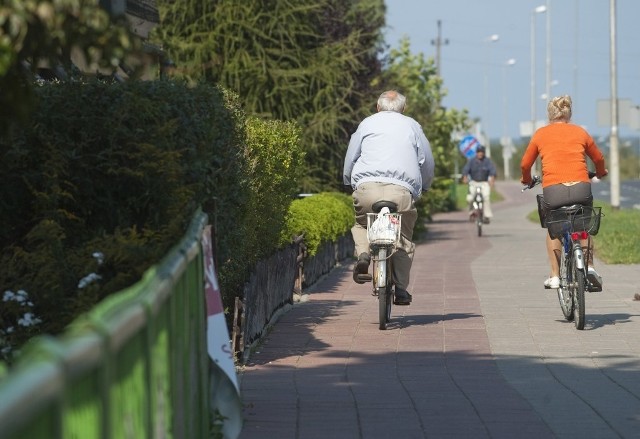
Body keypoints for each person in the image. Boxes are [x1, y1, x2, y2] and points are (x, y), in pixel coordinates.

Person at [343, 90, 435, 305]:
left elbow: (351, 156)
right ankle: (401, 289)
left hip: (367, 189)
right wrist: (426, 185)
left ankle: (364, 254)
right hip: (401, 191)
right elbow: (427, 161)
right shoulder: (412, 125)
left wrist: (348, 180)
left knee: (362, 225)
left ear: (377, 107)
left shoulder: (366, 123)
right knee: (402, 237)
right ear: (403, 109)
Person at [520, 95, 607, 290]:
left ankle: (554, 276)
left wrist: (526, 179)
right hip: (581, 189)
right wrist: (600, 172)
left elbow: (525, 164)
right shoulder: (580, 132)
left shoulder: (540, 134)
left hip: (554, 191)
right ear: (569, 114)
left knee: (554, 229)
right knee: (583, 225)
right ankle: (590, 267)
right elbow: (598, 158)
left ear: (549, 114)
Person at [461, 145, 497, 223]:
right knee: (470, 198)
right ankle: (471, 213)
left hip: (484, 183)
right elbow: (465, 170)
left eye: (481, 152)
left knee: (486, 198)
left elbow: (492, 171)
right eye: (478, 152)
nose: (480, 154)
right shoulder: (471, 161)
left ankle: (487, 216)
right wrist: (465, 177)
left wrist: (492, 181)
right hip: (474, 182)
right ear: (476, 153)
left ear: (484, 153)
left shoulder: (487, 161)